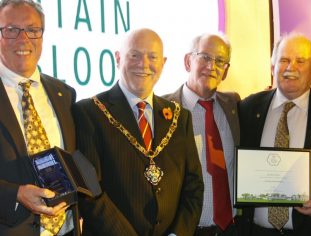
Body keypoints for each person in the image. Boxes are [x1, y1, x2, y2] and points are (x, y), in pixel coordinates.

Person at [73, 28, 204, 236]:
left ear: (163, 63)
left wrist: (177, 234)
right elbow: (90, 192)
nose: (143, 64)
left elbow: (194, 187)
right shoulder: (89, 112)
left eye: (152, 57)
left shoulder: (180, 118)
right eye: (134, 55)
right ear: (118, 58)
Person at [239, 32, 311, 236]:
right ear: (272, 67)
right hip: (256, 231)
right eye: (283, 60)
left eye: (300, 61)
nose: (290, 67)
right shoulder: (248, 108)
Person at [0, 0, 79, 235]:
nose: (23, 39)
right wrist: (14, 194)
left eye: (33, 30)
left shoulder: (64, 94)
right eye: (11, 30)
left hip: (68, 229)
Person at [163, 33, 240, 235]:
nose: (211, 66)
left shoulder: (234, 106)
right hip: (185, 231)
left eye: (220, 61)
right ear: (188, 61)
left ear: (225, 71)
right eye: (205, 57)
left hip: (231, 229)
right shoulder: (162, 111)